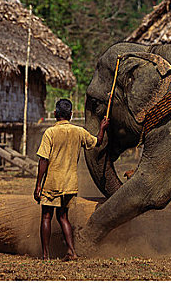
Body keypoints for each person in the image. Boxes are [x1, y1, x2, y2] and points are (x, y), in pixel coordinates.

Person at [34, 98, 109, 260]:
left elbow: (43, 160)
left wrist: (38, 185)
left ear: (55, 114)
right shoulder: (79, 131)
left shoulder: (50, 133)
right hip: (70, 183)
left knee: (46, 216)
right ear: (71, 114)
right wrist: (102, 127)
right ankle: (71, 251)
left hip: (52, 182)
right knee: (63, 217)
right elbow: (97, 142)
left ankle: (45, 256)